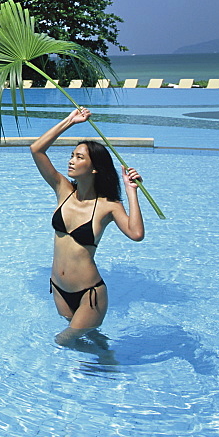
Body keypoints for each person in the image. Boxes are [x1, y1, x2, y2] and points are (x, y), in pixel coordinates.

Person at [30, 107, 145, 346]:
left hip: (89, 294)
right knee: (88, 341)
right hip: (59, 290)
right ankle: (109, 362)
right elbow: (36, 149)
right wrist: (70, 121)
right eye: (72, 155)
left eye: (79, 157)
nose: (71, 160)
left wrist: (131, 191)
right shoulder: (63, 190)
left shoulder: (107, 206)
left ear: (94, 168)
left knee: (63, 341)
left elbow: (136, 234)